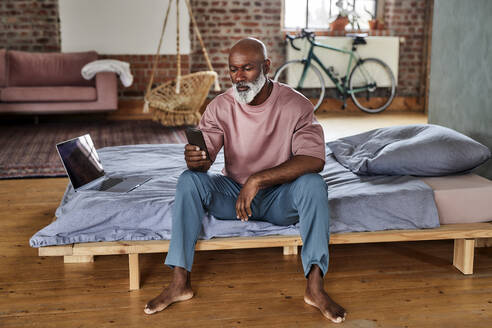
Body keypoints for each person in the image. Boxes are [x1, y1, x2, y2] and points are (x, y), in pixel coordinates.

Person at [144, 38, 346, 323]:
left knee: (314, 184)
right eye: (233, 70)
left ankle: (314, 287)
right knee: (188, 180)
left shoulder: (296, 105)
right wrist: (198, 159)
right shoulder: (220, 106)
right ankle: (179, 283)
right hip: (234, 197)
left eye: (247, 69)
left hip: (280, 197)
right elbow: (207, 158)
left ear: (266, 67)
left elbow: (314, 159)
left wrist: (258, 180)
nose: (239, 77)